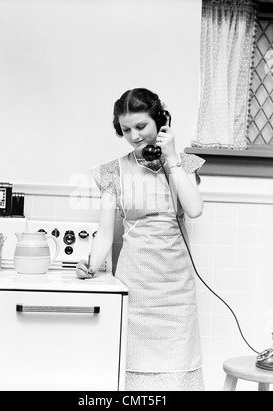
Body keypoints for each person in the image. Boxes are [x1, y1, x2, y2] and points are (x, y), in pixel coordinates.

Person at [76, 88, 206, 391]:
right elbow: (106, 233)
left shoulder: (183, 165)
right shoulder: (113, 172)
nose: (134, 136)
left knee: (177, 374)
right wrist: (92, 265)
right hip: (136, 287)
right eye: (126, 130)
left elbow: (195, 209)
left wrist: (171, 157)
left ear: (160, 123)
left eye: (141, 126)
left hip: (176, 291)